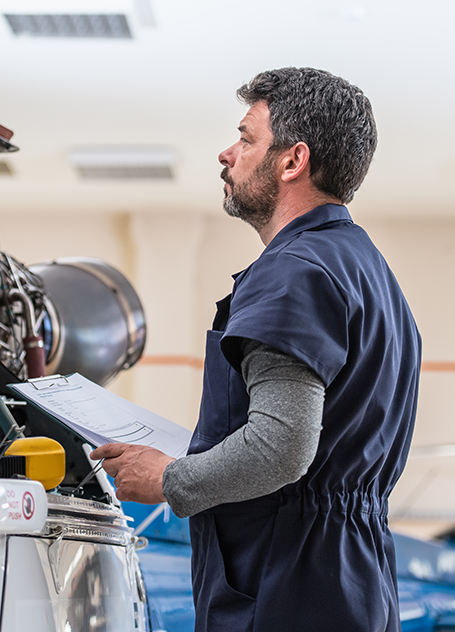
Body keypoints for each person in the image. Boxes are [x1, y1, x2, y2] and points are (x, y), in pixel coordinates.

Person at [90, 67, 421, 632]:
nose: (227, 154)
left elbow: (281, 446)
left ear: (292, 161)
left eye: (245, 139)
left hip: (286, 589)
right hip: (351, 579)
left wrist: (167, 479)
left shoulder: (292, 272)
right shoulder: (368, 272)